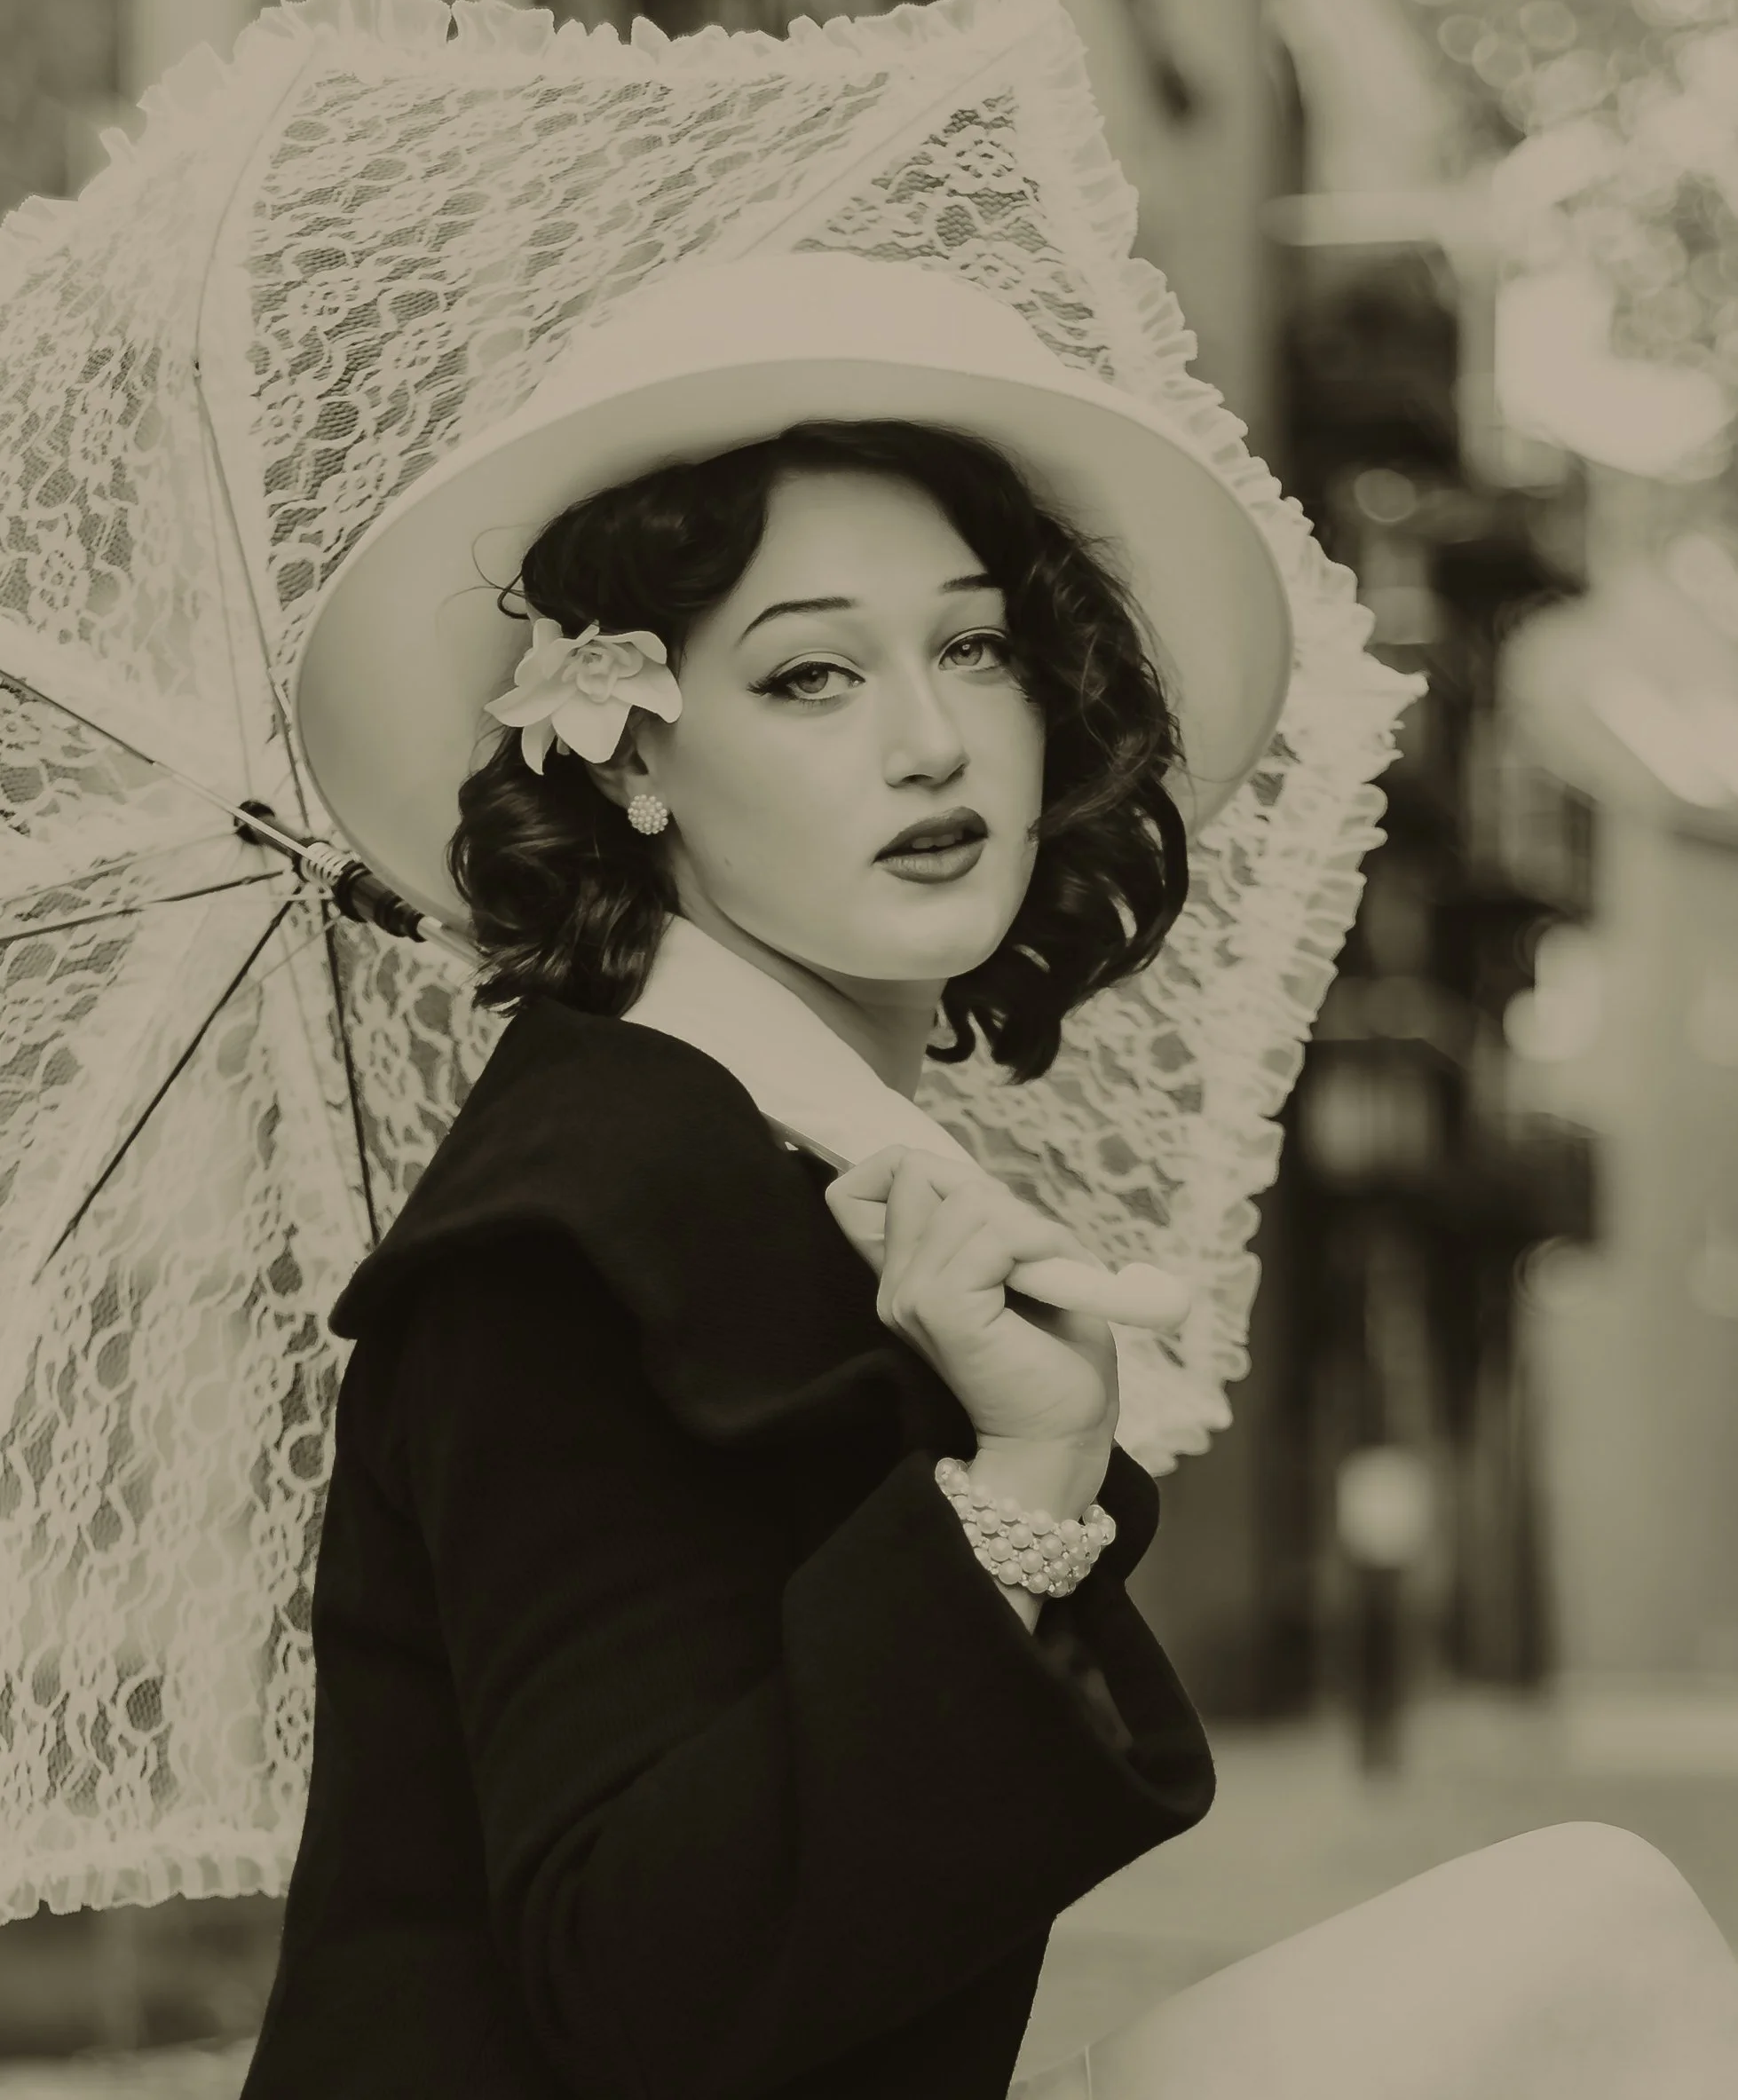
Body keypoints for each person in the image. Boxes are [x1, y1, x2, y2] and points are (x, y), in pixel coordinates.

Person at [246, 256, 1738, 2099]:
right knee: (1585, 1937)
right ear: (634, 752)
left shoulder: (781, 1163)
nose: (932, 738)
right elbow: (641, 1991)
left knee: (1581, 1934)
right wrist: (1017, 1488)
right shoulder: (570, 1227)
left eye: (972, 644)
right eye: (807, 672)